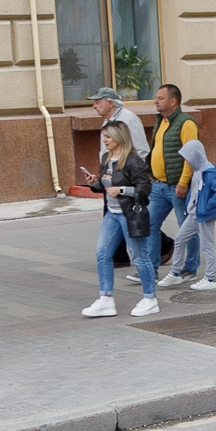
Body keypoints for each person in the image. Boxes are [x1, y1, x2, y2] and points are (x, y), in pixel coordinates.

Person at [80, 120, 159, 318]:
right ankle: (106, 299)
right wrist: (94, 183)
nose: (104, 140)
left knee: (139, 256)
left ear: (119, 137)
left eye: (108, 136)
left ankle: (150, 298)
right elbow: (105, 185)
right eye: (103, 136)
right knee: (102, 253)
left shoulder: (133, 161)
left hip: (130, 215)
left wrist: (121, 190)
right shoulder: (107, 158)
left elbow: (145, 189)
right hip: (112, 215)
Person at [145, 84, 201, 283]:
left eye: (160, 98)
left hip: (177, 187)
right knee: (149, 225)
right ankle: (150, 268)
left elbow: (190, 156)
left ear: (173, 101)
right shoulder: (161, 121)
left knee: (187, 228)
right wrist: (151, 172)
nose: (155, 101)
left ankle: (190, 267)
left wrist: (183, 183)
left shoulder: (186, 124)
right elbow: (156, 150)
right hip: (158, 186)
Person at [168, 139, 216, 290]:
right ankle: (175, 273)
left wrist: (205, 208)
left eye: (188, 157)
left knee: (207, 246)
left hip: (203, 216)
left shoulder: (208, 173)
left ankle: (210, 279)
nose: (186, 161)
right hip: (194, 215)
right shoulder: (197, 171)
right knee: (180, 239)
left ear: (196, 155)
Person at [90, 86, 147, 157]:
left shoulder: (129, 118)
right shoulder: (107, 121)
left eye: (97, 102)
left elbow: (141, 150)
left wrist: (135, 168)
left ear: (110, 103)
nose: (94, 106)